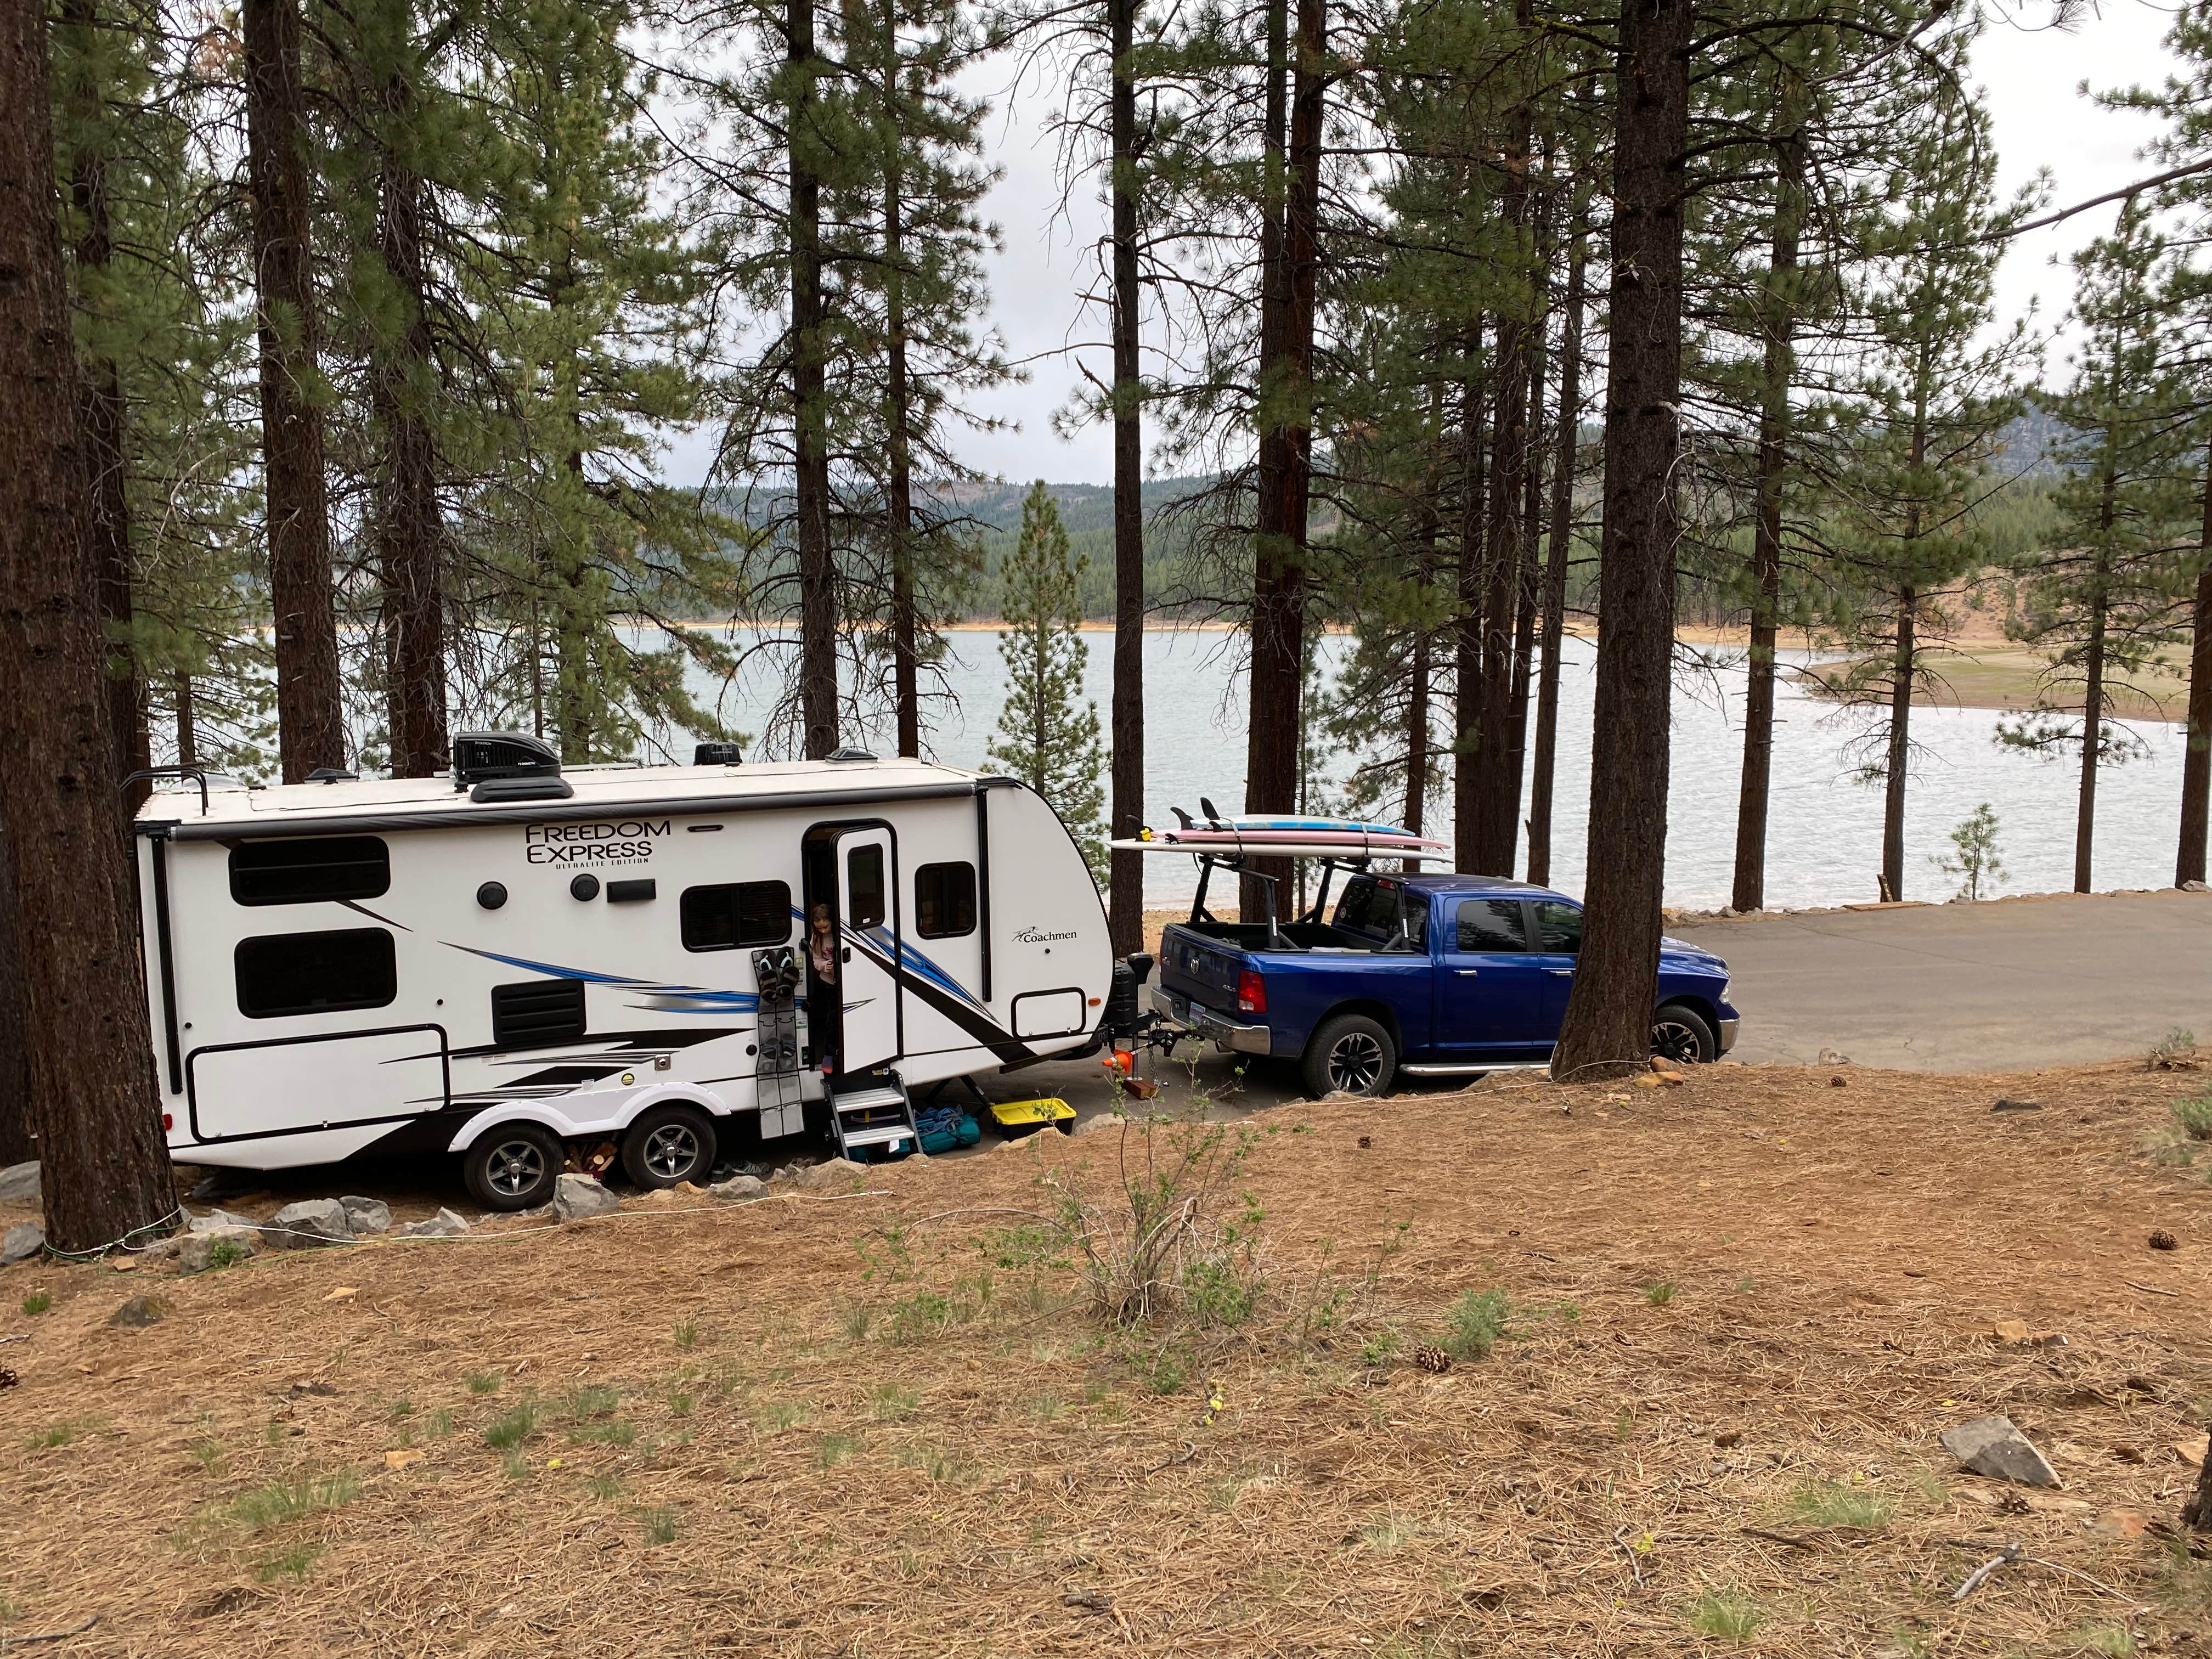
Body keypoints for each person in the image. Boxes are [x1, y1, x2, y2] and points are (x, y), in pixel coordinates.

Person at [808, 902, 837, 984]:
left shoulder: (840, 934)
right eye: (819, 929)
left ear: (832, 921)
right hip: (827, 980)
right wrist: (824, 965)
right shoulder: (816, 937)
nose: (823, 931)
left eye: (825, 927)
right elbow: (816, 960)